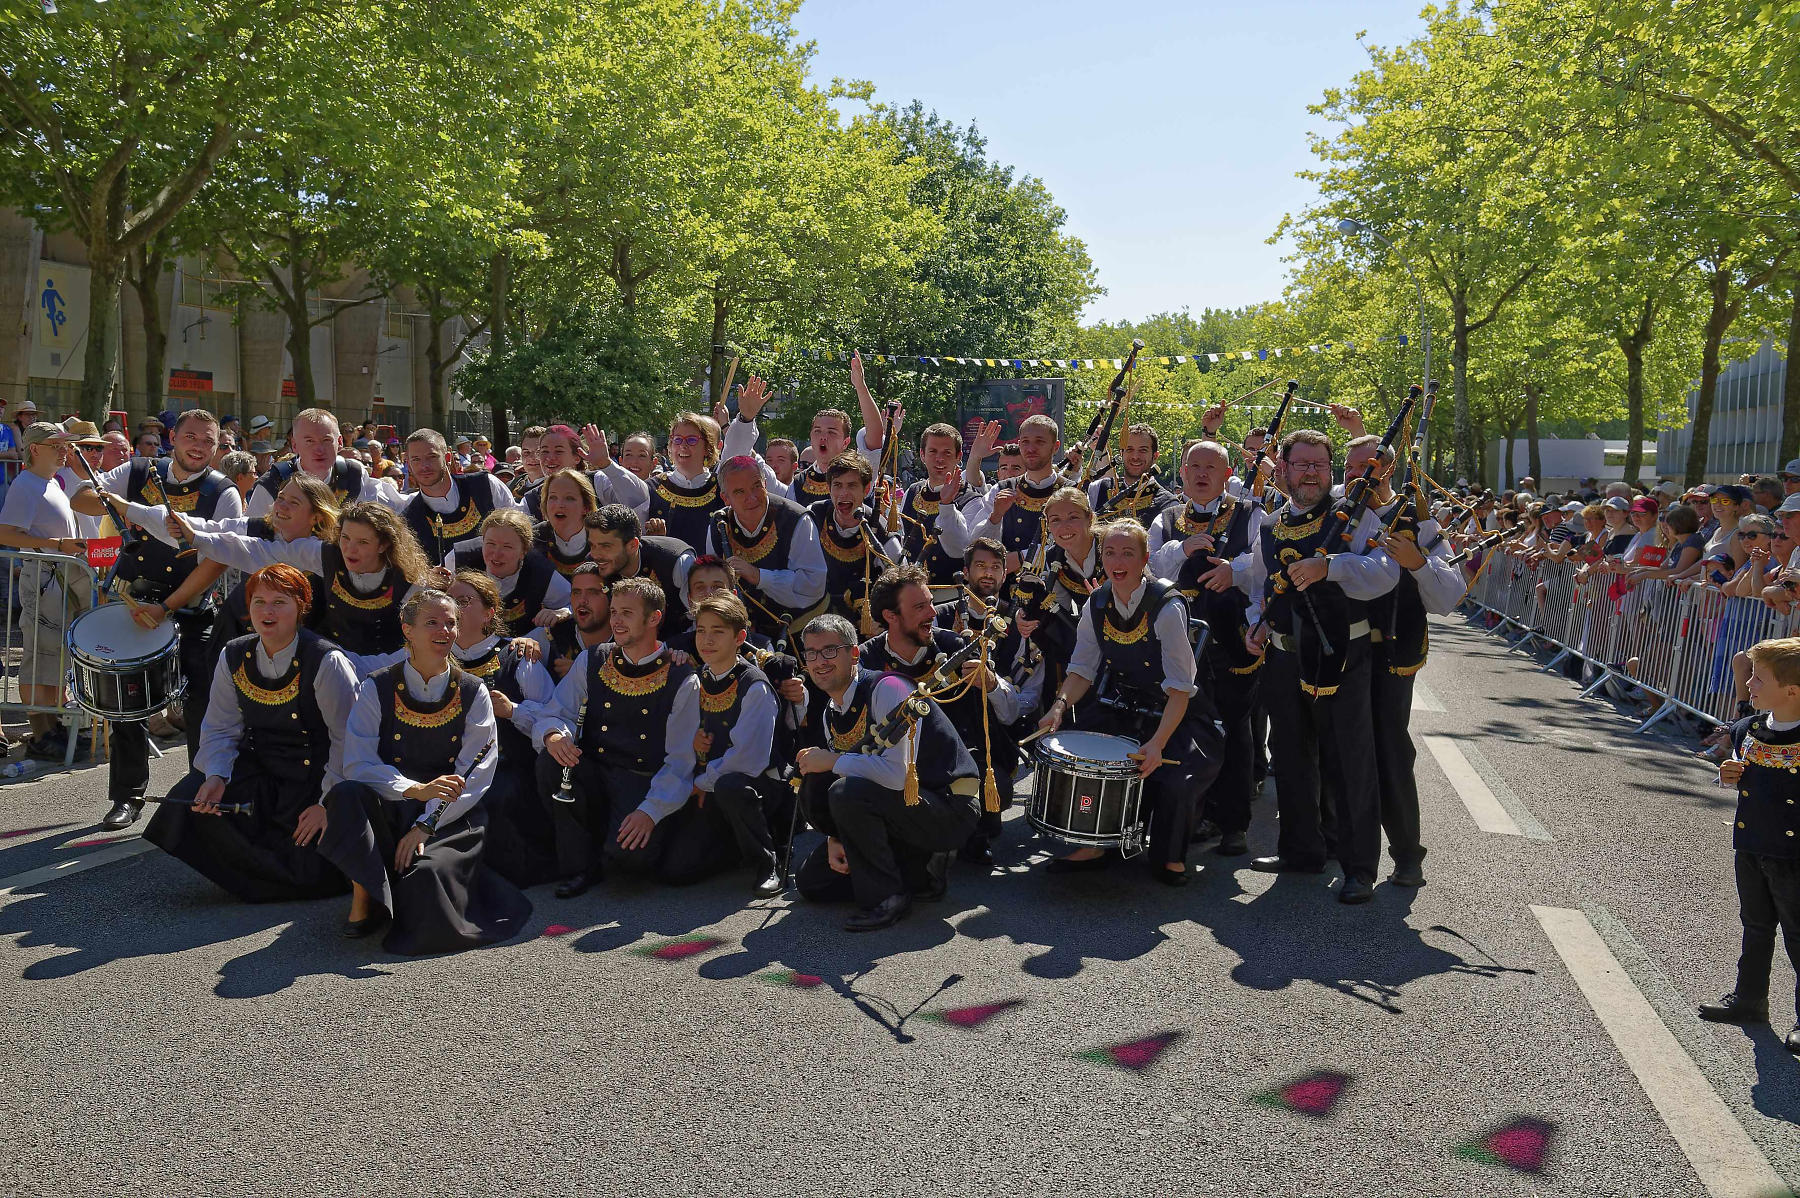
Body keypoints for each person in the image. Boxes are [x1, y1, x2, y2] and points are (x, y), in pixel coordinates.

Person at [317, 587, 532, 952]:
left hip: (449, 814)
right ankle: (363, 895)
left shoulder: (473, 691)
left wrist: (425, 823)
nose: (444, 631)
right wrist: (413, 789)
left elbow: (475, 772)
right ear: (408, 629)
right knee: (345, 794)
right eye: (432, 622)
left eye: (450, 623)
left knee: (426, 880)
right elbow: (357, 763)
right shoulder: (376, 687)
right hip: (391, 806)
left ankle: (394, 889)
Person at [1239, 428, 1400, 904]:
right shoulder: (1270, 524)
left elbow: (1385, 574)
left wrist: (1332, 566)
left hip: (1342, 655)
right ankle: (1301, 851)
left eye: (1320, 465)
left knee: (1349, 759)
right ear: (1284, 469)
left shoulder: (1357, 516)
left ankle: (1358, 867)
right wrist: (1257, 624)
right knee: (1289, 753)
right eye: (1302, 464)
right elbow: (1259, 584)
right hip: (1284, 653)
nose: (1311, 473)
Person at [144, 564, 358, 901]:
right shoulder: (234, 654)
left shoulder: (326, 661)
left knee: (314, 866)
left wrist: (327, 804)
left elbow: (348, 740)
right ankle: (256, 876)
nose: (267, 612)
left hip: (315, 778)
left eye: (279, 602)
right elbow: (220, 727)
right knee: (192, 794)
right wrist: (216, 776)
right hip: (264, 770)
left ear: (301, 606)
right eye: (259, 602)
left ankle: (270, 876)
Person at [70, 408, 240, 829]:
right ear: (173, 438)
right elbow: (81, 498)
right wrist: (118, 504)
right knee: (124, 702)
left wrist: (166, 607)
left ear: (216, 448)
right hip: (132, 602)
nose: (198, 446)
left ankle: (202, 791)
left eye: (208, 440)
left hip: (190, 607)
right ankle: (127, 796)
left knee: (204, 701)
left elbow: (216, 560)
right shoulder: (137, 470)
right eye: (191, 436)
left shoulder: (224, 491)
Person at [1035, 521, 1222, 885]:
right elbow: (1082, 669)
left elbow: (1180, 690)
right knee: (1087, 759)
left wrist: (1157, 743)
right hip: (1122, 705)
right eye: (1109, 553)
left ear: (1145, 559)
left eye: (1127, 553)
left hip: (1177, 713)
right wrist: (1058, 706)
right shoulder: (1096, 603)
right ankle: (1096, 844)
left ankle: (1169, 855)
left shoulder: (1167, 607)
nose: (1117, 562)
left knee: (1175, 777)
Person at [792, 614, 979, 931]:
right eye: (811, 653)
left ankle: (887, 897)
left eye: (829, 651)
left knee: (845, 791)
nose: (819, 661)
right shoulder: (830, 712)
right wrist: (837, 836)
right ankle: (917, 872)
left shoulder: (888, 688)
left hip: (946, 807)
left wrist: (832, 761)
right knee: (812, 883)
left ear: (854, 654)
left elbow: (896, 775)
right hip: (895, 810)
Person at [532, 577, 697, 897]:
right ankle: (579, 865)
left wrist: (650, 812)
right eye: (614, 612)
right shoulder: (592, 659)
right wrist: (553, 735)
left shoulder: (681, 677)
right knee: (551, 762)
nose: (617, 621)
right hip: (594, 771)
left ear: (654, 618)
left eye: (627, 613)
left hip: (642, 781)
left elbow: (680, 762)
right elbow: (555, 712)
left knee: (630, 863)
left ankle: (612, 846)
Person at [862, 563, 1025, 868]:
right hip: (896, 765)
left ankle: (970, 833)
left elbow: (1010, 713)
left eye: (930, 603)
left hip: (952, 763)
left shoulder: (955, 646)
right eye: (920, 607)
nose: (933, 613)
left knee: (996, 785)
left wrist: (991, 683)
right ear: (891, 616)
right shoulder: (866, 660)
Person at [1150, 439, 1263, 857]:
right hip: (1181, 642)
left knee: (1234, 731)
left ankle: (1234, 823)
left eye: (1210, 467)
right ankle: (1191, 815)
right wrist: (1183, 548)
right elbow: (1150, 565)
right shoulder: (1166, 518)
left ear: (1227, 474)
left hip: (1231, 641)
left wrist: (1235, 571)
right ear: (1181, 472)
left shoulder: (1250, 513)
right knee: (1185, 730)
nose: (1201, 474)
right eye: (1193, 466)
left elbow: (1264, 563)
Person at [1703, 637, 1800, 1052]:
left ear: (1791, 691)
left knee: (1798, 936)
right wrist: (1728, 776)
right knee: (1756, 926)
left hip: (1794, 854)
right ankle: (1750, 998)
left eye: (1759, 678)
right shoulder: (1749, 729)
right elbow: (1745, 777)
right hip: (1752, 843)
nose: (1749, 684)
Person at [655, 592, 788, 894]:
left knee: (731, 786)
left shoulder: (754, 686)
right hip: (708, 783)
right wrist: (693, 743)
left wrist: (702, 782)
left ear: (740, 637)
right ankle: (733, 847)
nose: (707, 640)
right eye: (701, 630)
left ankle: (769, 860)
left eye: (718, 631)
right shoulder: (697, 677)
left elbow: (749, 759)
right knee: (675, 870)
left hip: (754, 787)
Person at [182, 500, 430, 661]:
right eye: (345, 538)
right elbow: (258, 551)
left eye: (363, 542)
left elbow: (420, 643)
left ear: (384, 544)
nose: (349, 549)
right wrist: (197, 538)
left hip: (386, 671)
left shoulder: (410, 579)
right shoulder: (326, 554)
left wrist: (365, 668)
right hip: (331, 662)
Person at [0, 423, 90, 758]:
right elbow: (5, 533)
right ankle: (41, 732)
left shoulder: (49, 482)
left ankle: (53, 725)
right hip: (43, 578)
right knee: (39, 654)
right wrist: (57, 544)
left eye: (65, 445)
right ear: (35, 449)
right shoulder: (26, 484)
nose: (65, 450)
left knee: (55, 654)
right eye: (57, 445)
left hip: (56, 576)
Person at [703, 455, 827, 646]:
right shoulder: (718, 525)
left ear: (765, 484)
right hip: (748, 635)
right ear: (725, 498)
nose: (751, 498)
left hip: (803, 633)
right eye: (739, 492)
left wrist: (759, 576)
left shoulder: (796, 519)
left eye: (756, 486)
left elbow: (813, 584)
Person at [810, 451, 902, 632]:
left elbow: (902, 589)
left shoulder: (882, 533)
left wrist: (882, 621)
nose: (843, 493)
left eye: (851, 486)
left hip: (862, 628)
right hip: (816, 620)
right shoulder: (814, 516)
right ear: (829, 488)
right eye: (837, 485)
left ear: (866, 490)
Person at [247, 407, 398, 517]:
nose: (319, 450)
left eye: (326, 440)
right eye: (309, 441)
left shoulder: (354, 475)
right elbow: (252, 537)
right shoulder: (272, 483)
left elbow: (397, 506)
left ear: (340, 442)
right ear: (294, 445)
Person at [444, 509, 571, 638]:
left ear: (524, 551)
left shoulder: (540, 572)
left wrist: (561, 613)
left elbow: (571, 603)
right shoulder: (458, 559)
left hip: (520, 645)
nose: (497, 554)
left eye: (507, 547)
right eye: (491, 544)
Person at [398, 428, 516, 563]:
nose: (424, 466)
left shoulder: (485, 485)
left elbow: (518, 532)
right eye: (416, 459)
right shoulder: (408, 519)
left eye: (432, 457)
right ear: (408, 465)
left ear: (447, 458)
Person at [584, 502, 694, 636]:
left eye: (605, 546)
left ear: (632, 545)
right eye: (592, 545)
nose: (595, 554)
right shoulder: (592, 565)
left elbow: (701, 617)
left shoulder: (675, 561)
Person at [641, 411, 725, 548]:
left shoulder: (722, 488)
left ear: (707, 448)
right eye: (677, 439)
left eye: (691, 440)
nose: (683, 446)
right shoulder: (651, 488)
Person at [1090, 423, 1175, 527]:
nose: (1135, 456)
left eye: (1143, 450)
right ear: (1121, 453)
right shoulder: (1098, 489)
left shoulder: (1169, 505)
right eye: (1129, 449)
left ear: (1155, 456)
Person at [543, 562, 610, 681]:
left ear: (611, 599)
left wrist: (583, 672)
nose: (582, 600)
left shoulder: (628, 643)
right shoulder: (549, 636)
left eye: (592, 592)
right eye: (576, 592)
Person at [533, 468, 598, 577]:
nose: (559, 505)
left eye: (569, 498)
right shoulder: (533, 539)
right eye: (553, 497)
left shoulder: (602, 538)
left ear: (586, 507)